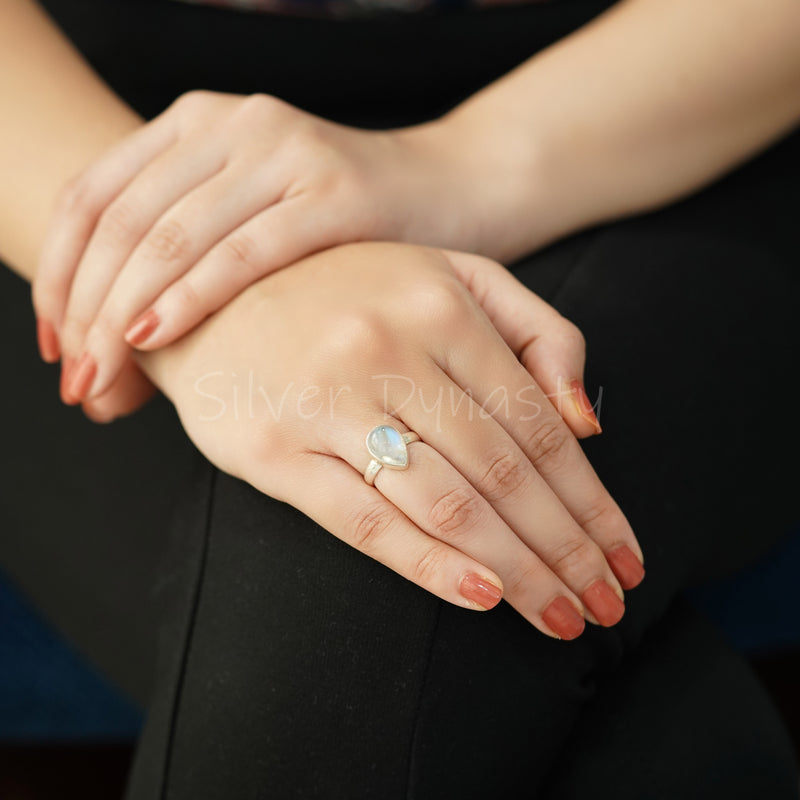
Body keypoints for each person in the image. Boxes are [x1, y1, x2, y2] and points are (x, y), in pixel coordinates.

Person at [1, 0, 798, 797]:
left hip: (664, 119)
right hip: (68, 140)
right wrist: (180, 266)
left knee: (402, 575)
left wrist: (458, 164)